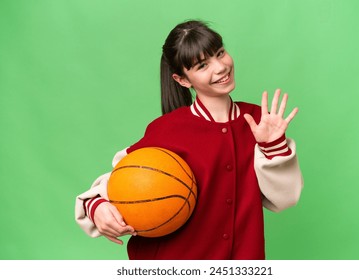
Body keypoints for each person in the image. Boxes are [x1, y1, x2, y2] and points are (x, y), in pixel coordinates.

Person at [75, 20, 304, 260]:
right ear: (183, 80)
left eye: (220, 53)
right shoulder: (167, 129)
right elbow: (122, 181)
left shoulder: (259, 121)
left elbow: (285, 199)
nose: (220, 68)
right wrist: (97, 207)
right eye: (203, 65)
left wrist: (273, 146)